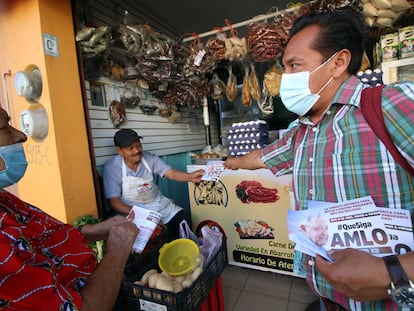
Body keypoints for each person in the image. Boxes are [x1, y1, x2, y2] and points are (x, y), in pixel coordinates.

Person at [224, 10, 414, 311]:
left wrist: (395, 272)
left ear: (338, 63)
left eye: (294, 66)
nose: (285, 78)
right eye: (284, 68)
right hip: (328, 302)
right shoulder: (301, 133)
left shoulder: (392, 105)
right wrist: (231, 163)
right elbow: (262, 157)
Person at [0, 107, 139, 310]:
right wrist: (117, 252)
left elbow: (42, 241)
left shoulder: (4, 199)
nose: (21, 136)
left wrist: (92, 231)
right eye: (3, 127)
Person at [103, 129, 204, 239]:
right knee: (155, 237)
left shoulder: (149, 159)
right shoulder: (113, 167)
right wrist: (144, 216)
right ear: (119, 150)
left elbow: (171, 173)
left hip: (157, 204)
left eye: (138, 145)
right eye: (130, 148)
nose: (136, 150)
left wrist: (190, 177)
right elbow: (115, 203)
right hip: (132, 210)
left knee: (182, 221)